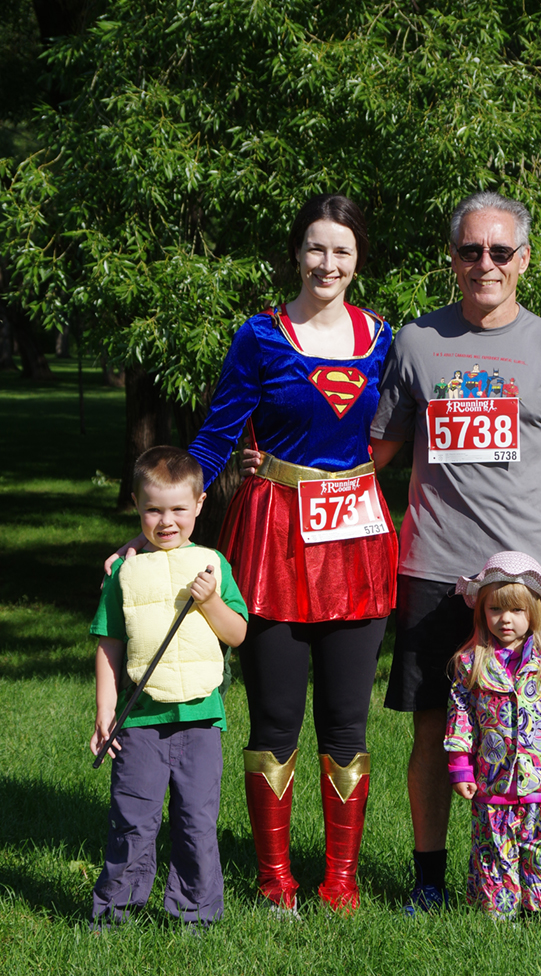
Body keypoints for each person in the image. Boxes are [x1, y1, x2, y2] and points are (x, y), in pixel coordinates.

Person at [109, 196, 398, 911]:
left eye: (342, 251)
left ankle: (341, 880)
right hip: (274, 540)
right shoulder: (260, 337)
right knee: (275, 717)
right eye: (315, 248)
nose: (327, 264)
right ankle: (275, 882)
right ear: (297, 253)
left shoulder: (387, 340)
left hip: (358, 540)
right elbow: (214, 436)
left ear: (358, 260)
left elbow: (405, 435)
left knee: (347, 720)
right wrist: (162, 520)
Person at [369, 190, 541, 913]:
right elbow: (372, 454)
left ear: (524, 259)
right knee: (436, 730)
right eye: (471, 250)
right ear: (453, 258)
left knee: (534, 730)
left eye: (501, 251)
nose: (485, 263)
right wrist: (272, 467)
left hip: (525, 589)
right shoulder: (415, 342)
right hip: (434, 570)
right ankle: (430, 879)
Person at [90, 447, 248, 928]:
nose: (166, 521)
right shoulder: (124, 573)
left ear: (199, 505)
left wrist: (211, 601)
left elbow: (237, 634)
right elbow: (109, 643)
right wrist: (105, 711)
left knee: (196, 823)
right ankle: (116, 913)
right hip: (139, 722)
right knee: (133, 821)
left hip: (201, 719)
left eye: (179, 509)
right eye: (153, 509)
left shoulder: (212, 564)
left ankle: (196, 915)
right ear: (137, 506)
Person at [444, 551, 541, 933]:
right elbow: (460, 718)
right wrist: (460, 766)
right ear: (482, 611)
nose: (505, 619)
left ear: (534, 611)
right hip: (494, 785)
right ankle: (500, 915)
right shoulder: (472, 663)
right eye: (496, 610)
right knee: (494, 855)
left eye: (515, 610)